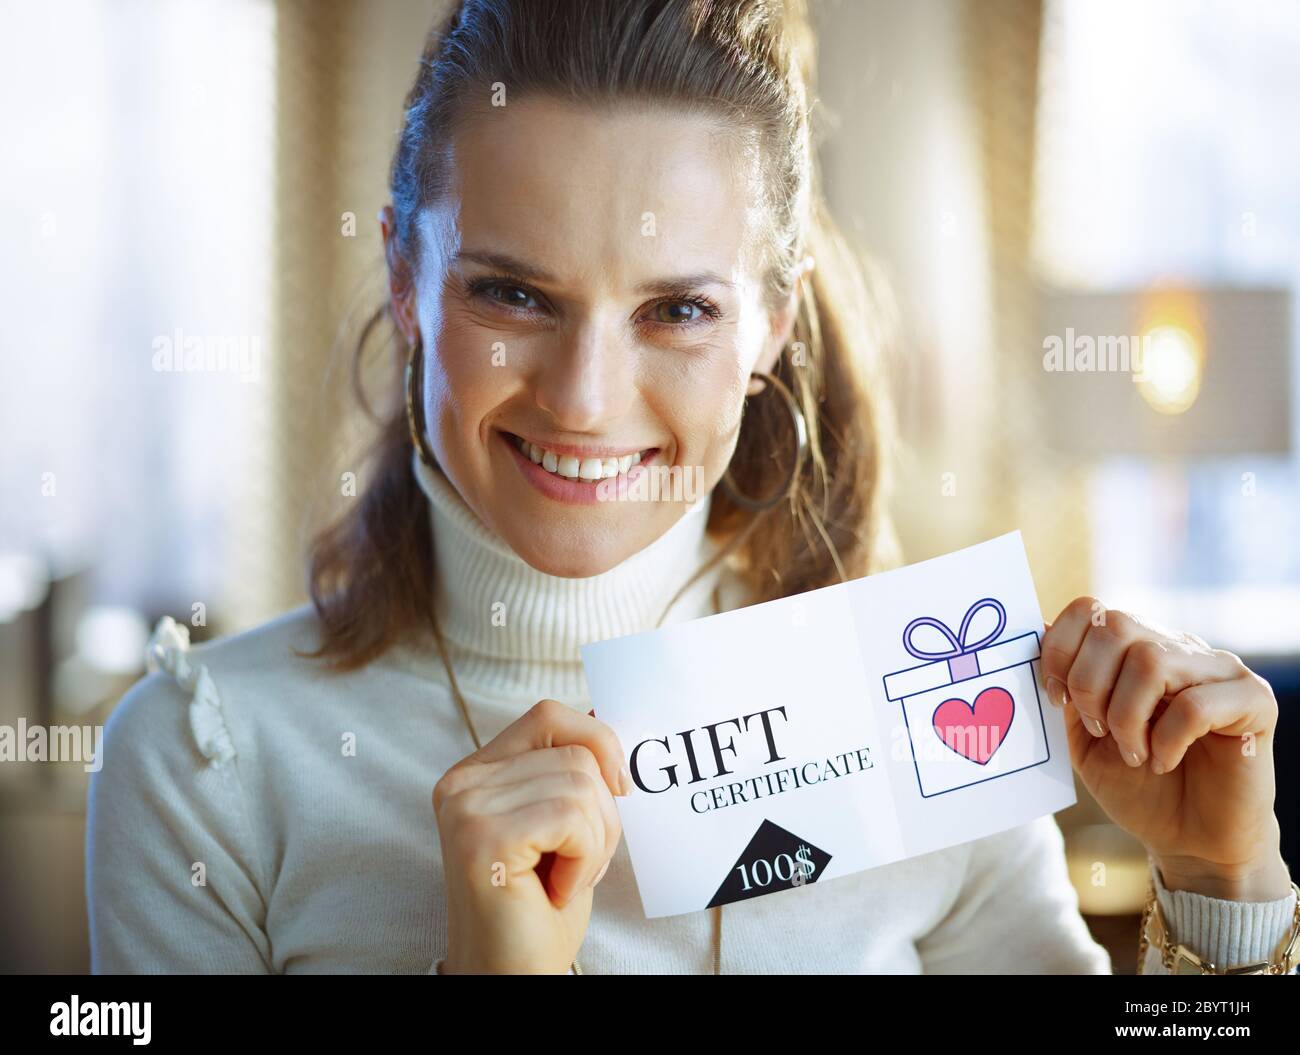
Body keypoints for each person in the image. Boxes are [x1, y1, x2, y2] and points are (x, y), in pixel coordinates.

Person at [86, 0, 1296, 975]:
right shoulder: (204, 768)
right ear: (407, 282)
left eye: (677, 310)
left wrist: (1222, 896)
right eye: (511, 293)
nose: (583, 399)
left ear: (771, 322)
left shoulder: (921, 721)